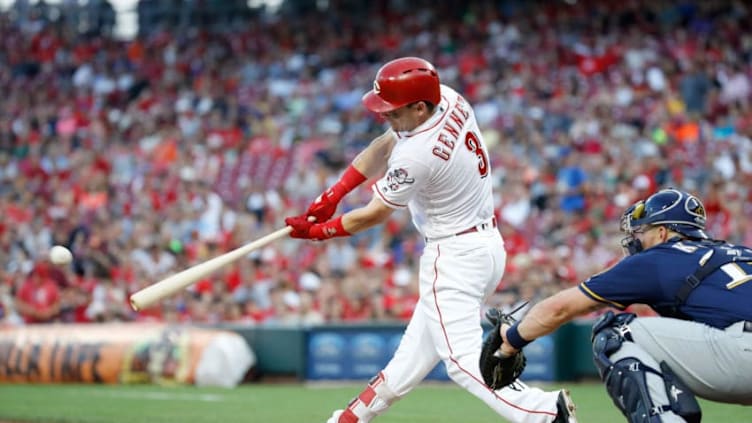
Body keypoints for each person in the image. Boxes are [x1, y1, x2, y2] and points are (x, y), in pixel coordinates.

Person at [285, 56, 576, 423]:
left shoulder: (417, 155)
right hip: (483, 246)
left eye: (392, 111)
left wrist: (319, 231)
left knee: (461, 361)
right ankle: (349, 419)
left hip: (452, 254)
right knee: (410, 360)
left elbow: (374, 214)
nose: (384, 117)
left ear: (419, 108)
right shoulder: (448, 99)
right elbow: (384, 144)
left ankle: (545, 413)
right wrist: (334, 193)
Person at [494, 188, 752, 422]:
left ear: (662, 232)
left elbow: (561, 308)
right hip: (738, 346)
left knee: (616, 334)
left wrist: (511, 340)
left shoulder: (661, 257)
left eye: (643, 230)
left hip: (744, 354)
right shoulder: (741, 253)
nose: (636, 238)